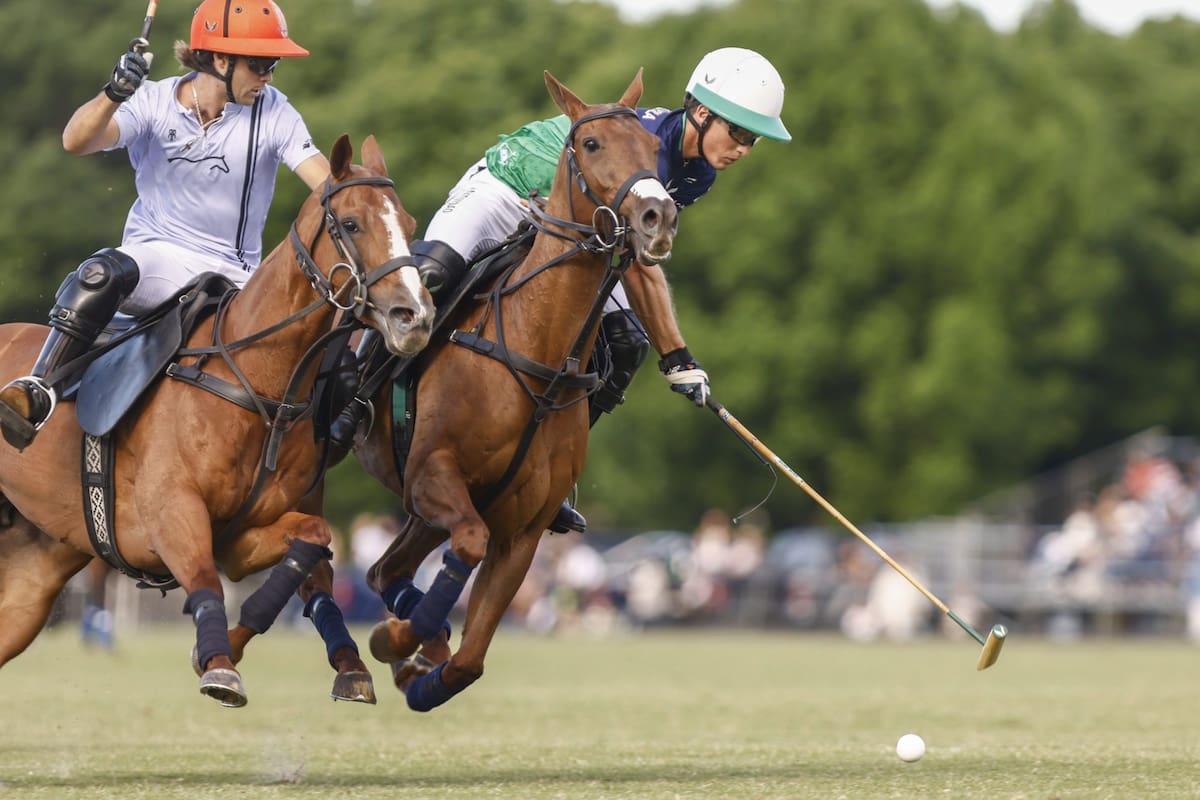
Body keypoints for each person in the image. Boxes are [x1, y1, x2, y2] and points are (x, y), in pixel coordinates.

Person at [332, 48, 791, 535]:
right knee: (431, 277)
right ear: (700, 111)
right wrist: (676, 355)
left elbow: (636, 255)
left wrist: (673, 355)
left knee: (626, 343)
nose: (744, 148)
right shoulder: (646, 146)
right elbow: (639, 269)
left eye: (753, 139)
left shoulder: (698, 174)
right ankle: (354, 398)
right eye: (739, 132)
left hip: (565, 230)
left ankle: (544, 466)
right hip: (506, 190)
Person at [0, 0, 330, 451]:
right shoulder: (152, 100)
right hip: (158, 258)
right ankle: (38, 388)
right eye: (260, 64)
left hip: (235, 279)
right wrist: (114, 93)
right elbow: (75, 141)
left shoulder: (275, 111)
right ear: (220, 59)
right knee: (100, 272)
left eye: (273, 65)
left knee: (328, 329)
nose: (269, 76)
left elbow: (326, 184)